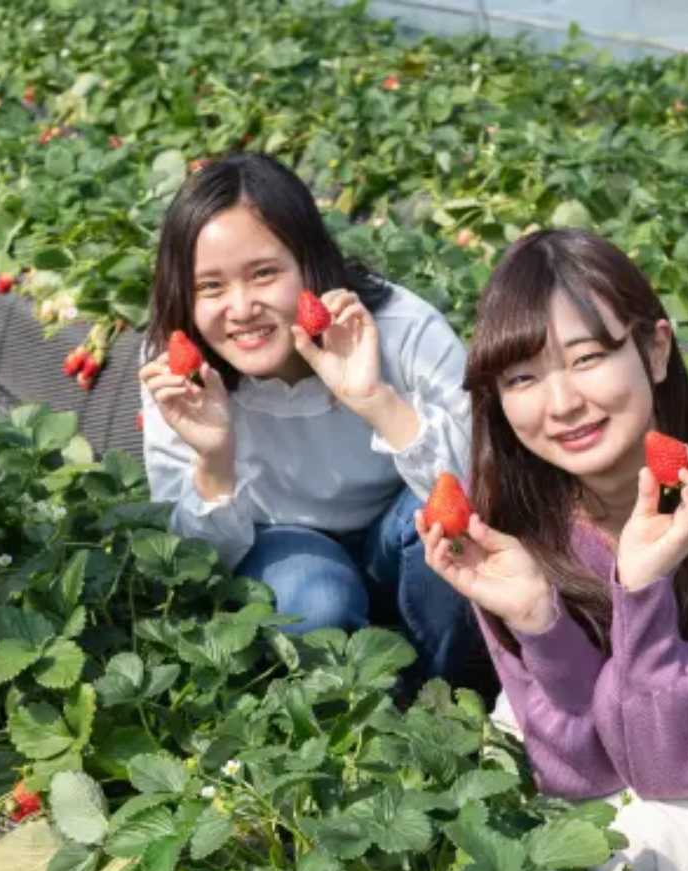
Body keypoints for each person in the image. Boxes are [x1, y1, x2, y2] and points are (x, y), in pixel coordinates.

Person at [417, 228, 688, 871]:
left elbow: (681, 761)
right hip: (616, 790)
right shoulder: (513, 533)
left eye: (586, 358)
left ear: (654, 349)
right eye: (522, 377)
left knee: (687, 830)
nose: (562, 403)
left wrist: (643, 590)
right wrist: (540, 625)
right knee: (655, 838)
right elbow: (583, 774)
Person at [139, 152, 479, 687]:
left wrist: (374, 399)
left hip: (397, 529)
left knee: (440, 516)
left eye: (264, 273)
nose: (241, 308)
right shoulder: (176, 372)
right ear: (183, 292)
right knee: (318, 601)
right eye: (211, 287)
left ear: (309, 263)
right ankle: (364, 711)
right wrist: (215, 459)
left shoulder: (399, 329)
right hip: (282, 542)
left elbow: (485, 489)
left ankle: (453, 692)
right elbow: (194, 564)